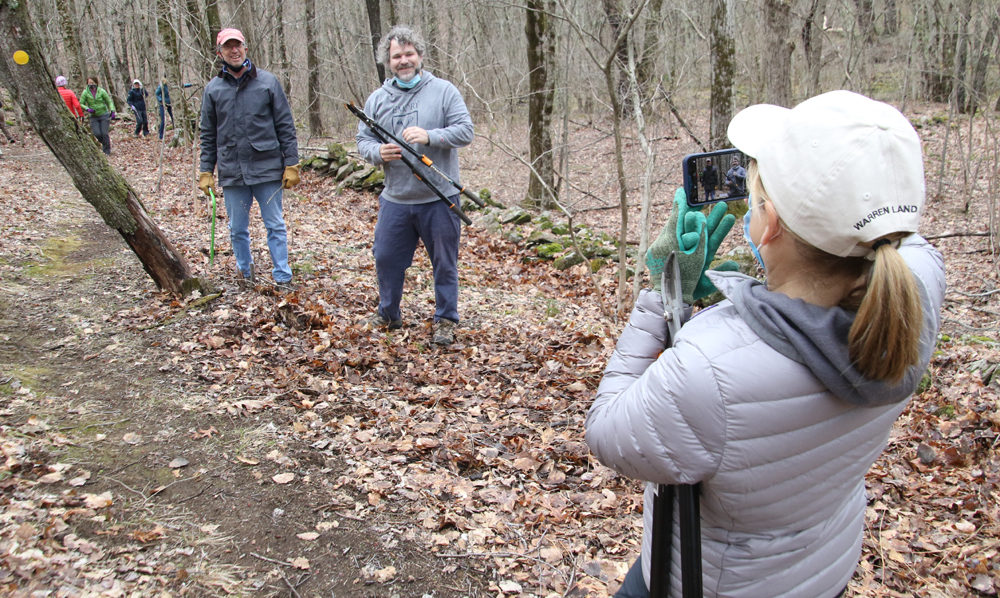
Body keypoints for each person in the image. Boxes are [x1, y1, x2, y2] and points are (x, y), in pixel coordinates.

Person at [586, 90, 945, 598]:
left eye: (754, 202)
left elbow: (606, 431)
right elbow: (887, 243)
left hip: (707, 580)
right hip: (822, 567)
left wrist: (664, 295)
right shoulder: (916, 292)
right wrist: (778, 276)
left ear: (768, 224)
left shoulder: (709, 365)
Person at [356, 24, 474, 346]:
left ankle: (446, 319)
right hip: (396, 197)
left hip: (440, 198)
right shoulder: (378, 99)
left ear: (419, 56)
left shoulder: (444, 91)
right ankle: (389, 314)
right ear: (388, 62)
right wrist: (377, 153)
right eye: (397, 56)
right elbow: (362, 140)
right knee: (386, 257)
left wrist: (430, 135)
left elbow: (465, 130)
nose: (403, 61)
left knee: (445, 263)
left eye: (409, 54)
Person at [198, 28, 300, 290]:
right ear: (219, 52)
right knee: (237, 229)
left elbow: (285, 126)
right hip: (232, 171)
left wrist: (291, 163)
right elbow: (208, 134)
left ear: (245, 48)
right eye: (228, 47)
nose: (234, 51)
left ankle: (283, 276)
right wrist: (206, 170)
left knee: (275, 225)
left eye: (238, 45)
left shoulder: (267, 82)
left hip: (267, 169)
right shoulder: (213, 89)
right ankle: (245, 272)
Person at [79, 76, 116, 155]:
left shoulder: (102, 91)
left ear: (96, 83)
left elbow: (109, 101)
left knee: (104, 133)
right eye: (89, 83)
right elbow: (81, 103)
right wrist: (87, 109)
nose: (91, 85)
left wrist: (112, 110)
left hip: (104, 114)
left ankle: (107, 151)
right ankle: (105, 144)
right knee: (97, 133)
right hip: (93, 116)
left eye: (92, 83)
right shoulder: (85, 92)